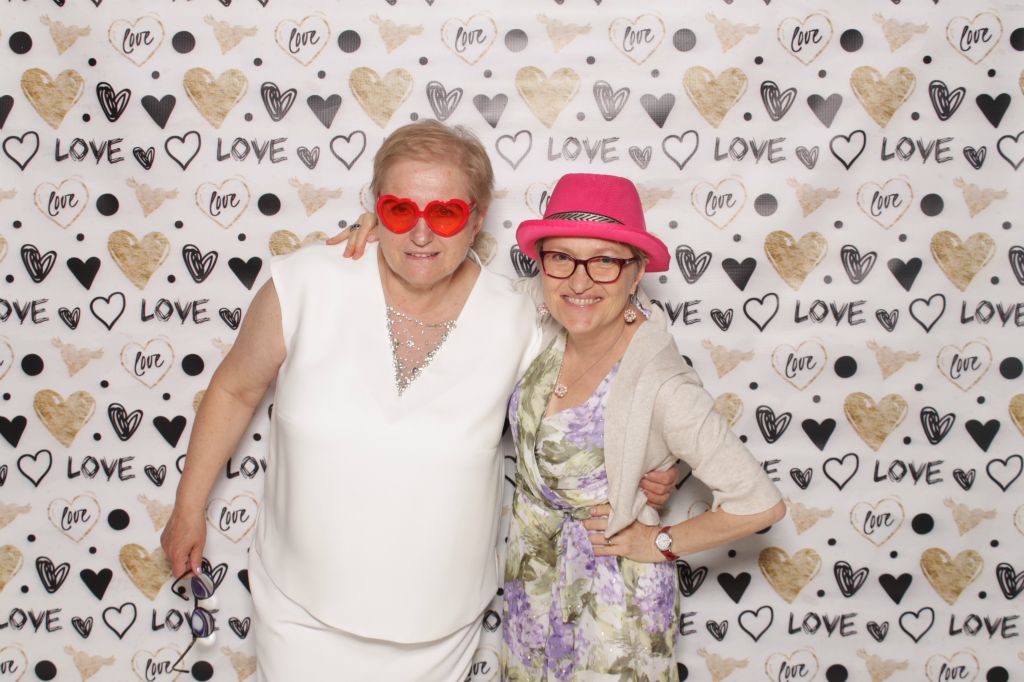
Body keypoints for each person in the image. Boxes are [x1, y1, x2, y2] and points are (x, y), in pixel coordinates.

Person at [161, 122, 677, 681]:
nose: (422, 234)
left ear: (477, 218)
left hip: (439, 622)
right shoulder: (305, 283)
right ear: (375, 208)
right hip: (299, 606)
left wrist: (663, 460)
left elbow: (621, 365)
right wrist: (188, 507)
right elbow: (234, 389)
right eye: (400, 210)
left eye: (446, 213)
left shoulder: (521, 317)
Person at [501, 173, 786, 681]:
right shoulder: (538, 322)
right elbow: (448, 285)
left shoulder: (662, 381)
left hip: (615, 604)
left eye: (605, 261)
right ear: (542, 264)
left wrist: (659, 543)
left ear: (635, 274)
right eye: (562, 257)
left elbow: (760, 503)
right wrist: (370, 233)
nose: (580, 282)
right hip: (532, 582)